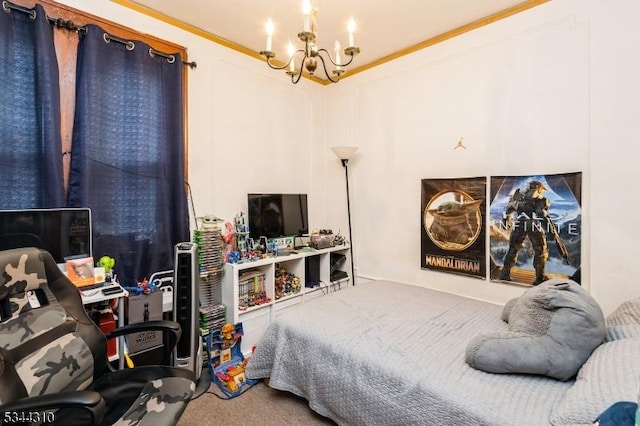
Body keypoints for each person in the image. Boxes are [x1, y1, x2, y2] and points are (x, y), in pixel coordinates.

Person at [499, 180, 551, 285]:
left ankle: (505, 274)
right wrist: (550, 230)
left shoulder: (517, 198)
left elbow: (507, 211)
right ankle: (539, 278)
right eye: (541, 189)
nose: (542, 191)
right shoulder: (542, 201)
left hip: (519, 225)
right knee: (541, 252)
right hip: (534, 226)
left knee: (512, 250)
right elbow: (543, 216)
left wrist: (506, 221)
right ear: (538, 188)